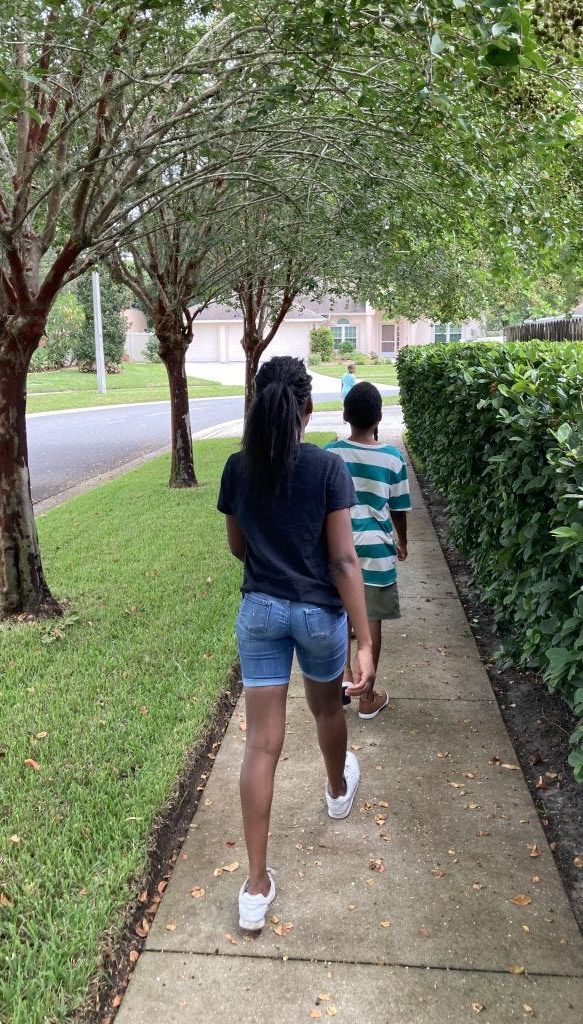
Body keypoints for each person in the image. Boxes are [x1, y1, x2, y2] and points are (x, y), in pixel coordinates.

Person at [218, 355, 375, 932]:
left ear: (260, 404)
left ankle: (255, 887)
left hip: (259, 611)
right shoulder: (327, 469)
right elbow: (341, 559)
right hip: (317, 615)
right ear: (308, 407)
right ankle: (337, 790)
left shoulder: (238, 468)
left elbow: (239, 547)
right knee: (327, 706)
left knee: (262, 743)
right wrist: (363, 639)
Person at [325, 381, 411, 719]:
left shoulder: (331, 453)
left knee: (339, 617)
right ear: (379, 416)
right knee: (370, 620)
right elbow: (399, 508)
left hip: (337, 548)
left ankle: (341, 685)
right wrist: (401, 541)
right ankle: (368, 697)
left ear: (345, 416)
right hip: (376, 551)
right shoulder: (392, 458)